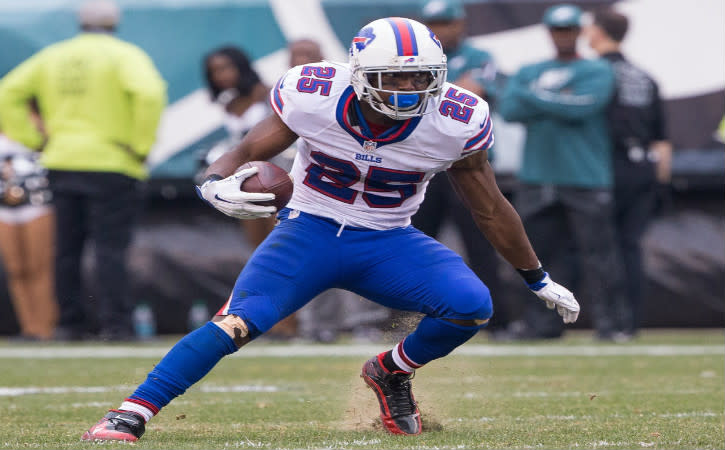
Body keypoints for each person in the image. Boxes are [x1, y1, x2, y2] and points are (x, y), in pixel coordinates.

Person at [81, 17, 579, 441]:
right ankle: (132, 412)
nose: (409, 91)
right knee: (236, 323)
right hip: (308, 231)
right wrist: (212, 184)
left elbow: (490, 207)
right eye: (393, 79)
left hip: (388, 240)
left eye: (420, 79)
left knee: (471, 305)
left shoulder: (456, 118)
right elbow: (247, 152)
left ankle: (390, 371)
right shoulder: (313, 93)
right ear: (359, 75)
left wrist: (536, 277)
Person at [0, 0, 166, 341]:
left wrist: (35, 140)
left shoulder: (53, 56)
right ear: (114, 22)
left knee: (66, 250)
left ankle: (70, 324)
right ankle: (115, 325)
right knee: (109, 249)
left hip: (61, 160)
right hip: (113, 163)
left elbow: (8, 93)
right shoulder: (124, 55)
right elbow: (150, 92)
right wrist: (141, 144)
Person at [498, 4, 623, 340]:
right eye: (557, 30)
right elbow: (509, 109)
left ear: (578, 32)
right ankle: (539, 326)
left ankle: (611, 325)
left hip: (585, 175)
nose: (563, 36)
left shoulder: (597, 71)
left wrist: (533, 96)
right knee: (534, 257)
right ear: (549, 33)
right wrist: (557, 100)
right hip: (537, 176)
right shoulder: (531, 68)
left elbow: (586, 107)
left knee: (600, 255)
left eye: (568, 30)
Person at [414, 0, 509, 335]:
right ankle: (409, 319)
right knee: (410, 245)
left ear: (460, 24)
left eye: (446, 23)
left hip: (468, 164)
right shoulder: (418, 59)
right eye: (433, 23)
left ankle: (496, 320)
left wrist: (427, 95)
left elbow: (476, 92)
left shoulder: (478, 57)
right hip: (422, 167)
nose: (440, 30)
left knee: (482, 242)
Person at [200, 45, 298, 339]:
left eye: (226, 68)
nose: (221, 76)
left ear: (242, 67)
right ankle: (268, 320)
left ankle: (291, 323)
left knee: (282, 253)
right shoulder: (228, 103)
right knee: (259, 255)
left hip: (277, 181)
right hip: (245, 184)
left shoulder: (267, 95)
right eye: (215, 71)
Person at [586, 8, 672, 340]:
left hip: (606, 168)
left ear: (599, 31)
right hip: (643, 169)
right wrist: (661, 183)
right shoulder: (644, 76)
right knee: (631, 247)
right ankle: (631, 323)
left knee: (603, 248)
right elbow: (662, 140)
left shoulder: (594, 74)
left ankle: (611, 322)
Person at [0, 127, 57, 341]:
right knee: (16, 269)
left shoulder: (39, 126)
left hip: (37, 205)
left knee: (39, 266)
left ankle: (46, 326)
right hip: (4, 208)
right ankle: (29, 327)